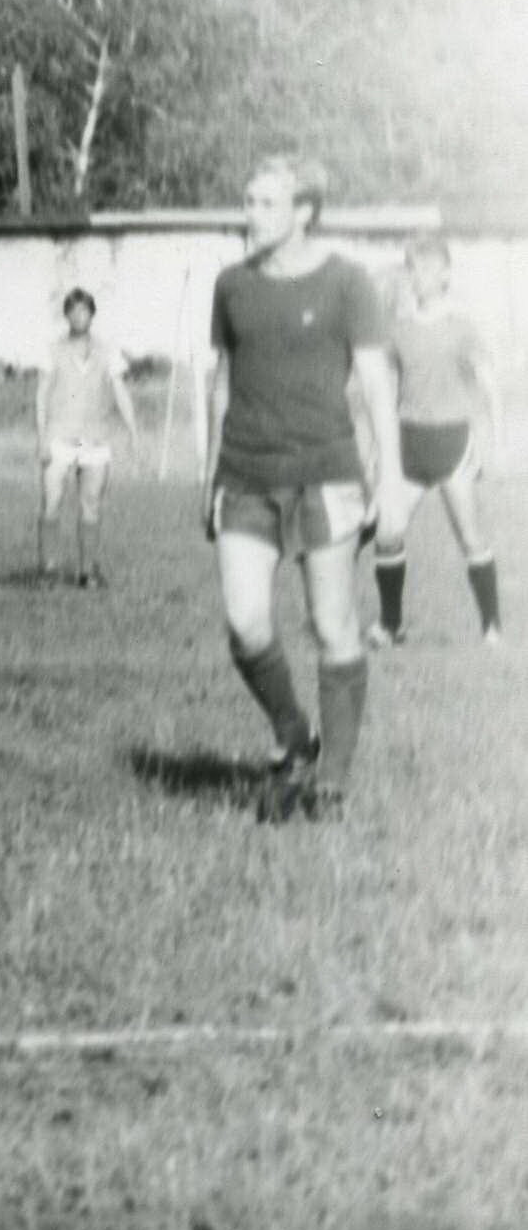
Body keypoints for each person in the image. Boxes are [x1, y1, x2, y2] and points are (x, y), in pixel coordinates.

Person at [198, 159, 403, 820]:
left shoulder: (347, 282)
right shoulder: (232, 285)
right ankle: (294, 734)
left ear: (304, 211)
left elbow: (376, 386)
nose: (251, 213)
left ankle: (330, 781)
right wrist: (210, 474)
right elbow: (222, 384)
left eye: (266, 202)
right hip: (246, 473)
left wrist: (390, 480)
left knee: (332, 622)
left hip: (327, 474)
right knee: (245, 623)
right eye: (248, 200)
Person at [371, 233, 501, 648]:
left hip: (452, 443)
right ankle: (391, 626)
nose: (418, 277)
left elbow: (488, 385)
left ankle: (492, 628)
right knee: (387, 533)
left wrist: (492, 441)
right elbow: (385, 388)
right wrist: (378, 449)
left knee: (471, 538)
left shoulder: (461, 328)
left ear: (446, 275)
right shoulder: (398, 330)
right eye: (412, 268)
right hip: (409, 444)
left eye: (427, 269)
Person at [30, 289, 140, 590]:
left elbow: (120, 392)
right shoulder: (52, 350)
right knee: (51, 502)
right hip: (60, 436)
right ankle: (48, 570)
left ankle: (87, 572)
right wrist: (41, 437)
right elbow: (41, 395)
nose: (79, 316)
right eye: (73, 311)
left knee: (91, 504)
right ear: (66, 315)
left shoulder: (108, 351)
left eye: (84, 311)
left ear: (92, 314)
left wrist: (132, 430)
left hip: (95, 438)